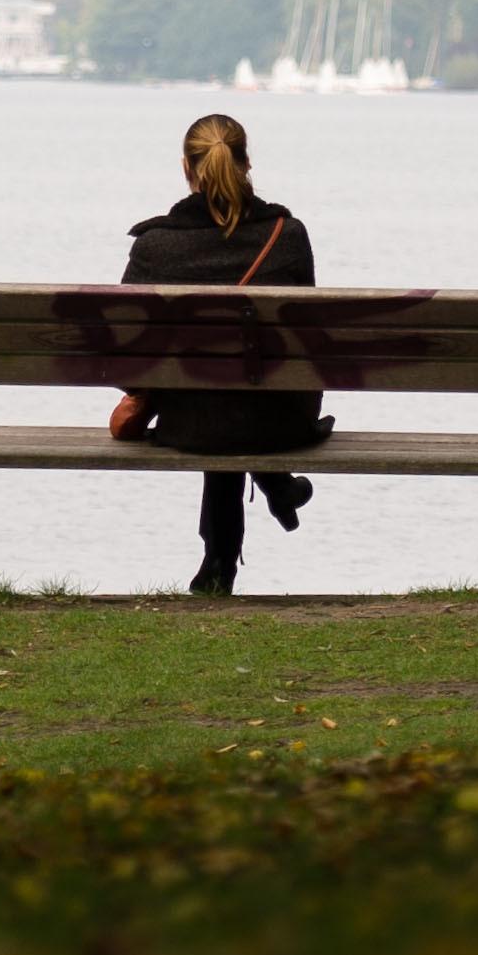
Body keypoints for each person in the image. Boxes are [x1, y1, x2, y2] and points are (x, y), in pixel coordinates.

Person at [119, 112, 329, 596]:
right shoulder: (287, 235)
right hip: (278, 421)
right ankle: (271, 494)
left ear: (186, 168)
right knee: (239, 393)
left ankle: (217, 560)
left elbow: (126, 357)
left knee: (215, 397)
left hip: (188, 422)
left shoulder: (155, 247)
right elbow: (310, 342)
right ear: (246, 163)